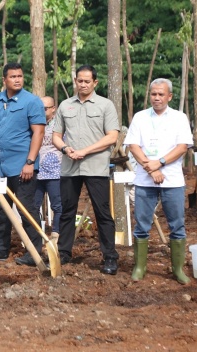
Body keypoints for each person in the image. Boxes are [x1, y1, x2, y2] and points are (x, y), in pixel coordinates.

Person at [52, 64, 120, 275]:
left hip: (95, 166)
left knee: (102, 213)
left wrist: (85, 151)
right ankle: (63, 253)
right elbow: (56, 135)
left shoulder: (105, 105)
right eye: (79, 81)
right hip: (70, 166)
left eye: (87, 81)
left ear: (95, 83)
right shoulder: (65, 105)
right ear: (75, 81)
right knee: (66, 211)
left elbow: (112, 136)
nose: (83, 84)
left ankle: (109, 257)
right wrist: (65, 148)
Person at [124, 78, 193, 284]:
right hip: (145, 180)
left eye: (161, 94)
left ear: (169, 96)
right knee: (141, 224)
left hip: (172, 179)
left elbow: (182, 147)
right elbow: (133, 146)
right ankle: (139, 267)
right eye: (153, 94)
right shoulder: (140, 117)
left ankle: (178, 269)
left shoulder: (179, 118)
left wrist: (160, 163)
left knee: (177, 224)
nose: (157, 98)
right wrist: (150, 167)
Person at [0, 62, 46, 261]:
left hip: (22, 166)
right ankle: (0, 249)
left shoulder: (32, 102)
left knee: (26, 209)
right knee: (0, 210)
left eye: (20, 76)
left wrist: (30, 162)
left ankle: (34, 252)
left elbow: (38, 132)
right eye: (13, 77)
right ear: (4, 80)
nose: (17, 80)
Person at [16, 96, 62, 266]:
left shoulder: (59, 125)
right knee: (32, 206)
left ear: (53, 109)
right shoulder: (32, 123)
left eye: (45, 109)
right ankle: (35, 239)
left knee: (57, 205)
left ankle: (56, 237)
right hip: (35, 170)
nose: (42, 112)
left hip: (55, 170)